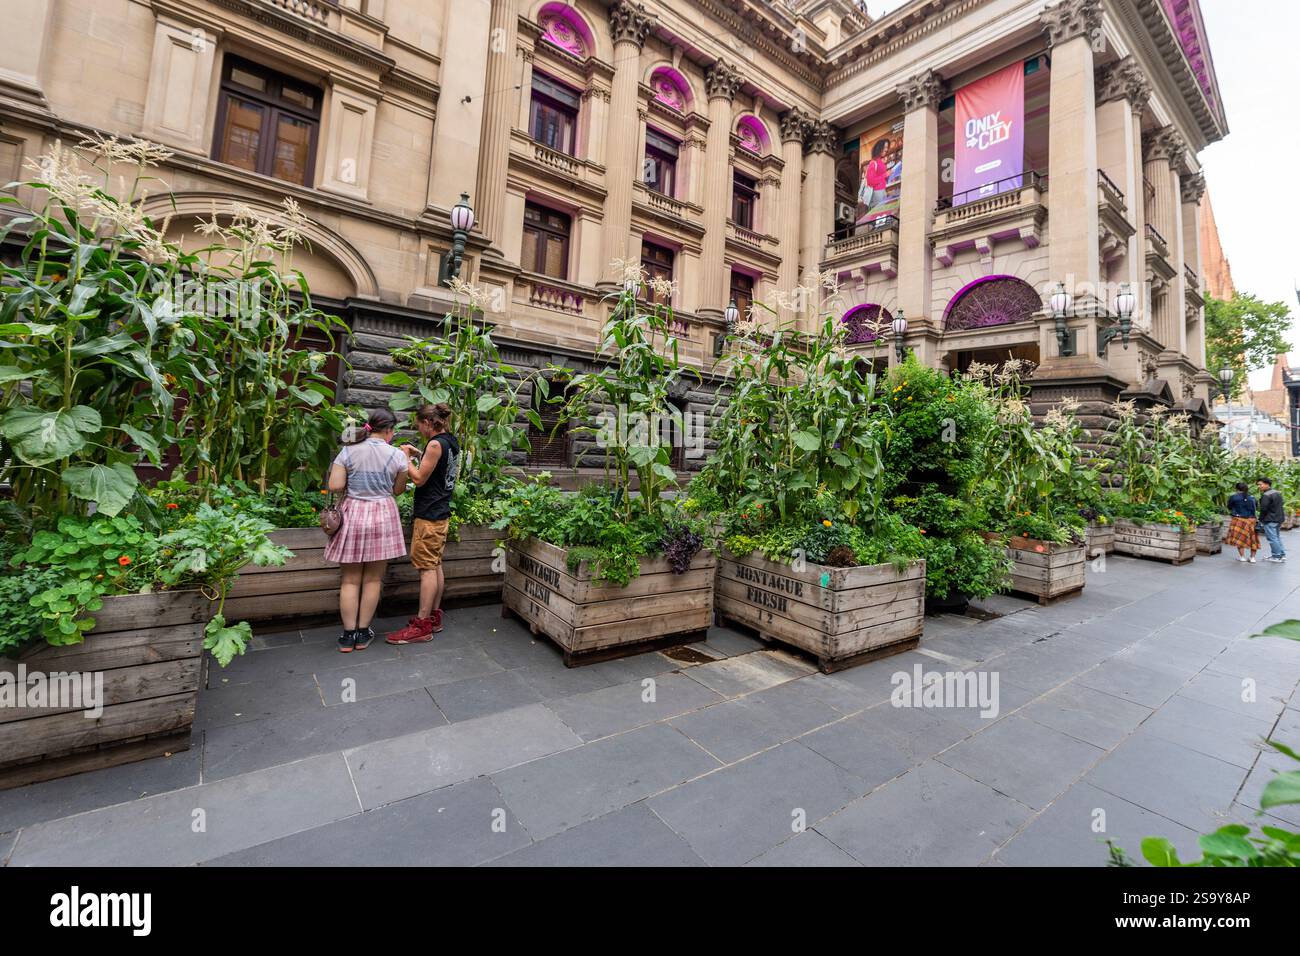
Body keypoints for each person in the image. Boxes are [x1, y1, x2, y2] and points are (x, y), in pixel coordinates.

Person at [325, 408, 409, 652]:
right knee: (373, 579)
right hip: (383, 514)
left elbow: (335, 485)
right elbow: (398, 490)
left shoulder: (348, 450)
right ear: (390, 431)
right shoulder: (397, 455)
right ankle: (363, 634)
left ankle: (347, 636)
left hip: (353, 514)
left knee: (350, 580)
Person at [385, 403, 460, 644]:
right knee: (435, 564)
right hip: (441, 512)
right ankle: (434, 618)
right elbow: (438, 464)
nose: (420, 431)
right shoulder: (450, 441)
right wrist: (419, 454)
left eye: (420, 426)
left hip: (429, 515)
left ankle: (421, 625)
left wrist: (406, 458)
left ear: (428, 423)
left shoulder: (435, 444)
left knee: (426, 569)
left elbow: (418, 479)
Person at [1224, 481, 1259, 563]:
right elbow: (1256, 507)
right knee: (1253, 539)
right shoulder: (1252, 497)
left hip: (1238, 520)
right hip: (1251, 520)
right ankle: (1252, 558)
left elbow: (1229, 506)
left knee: (1240, 539)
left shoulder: (1234, 497)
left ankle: (1242, 557)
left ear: (1237, 489)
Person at [1257, 477, 1287, 563]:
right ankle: (1281, 555)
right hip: (1279, 518)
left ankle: (1276, 556)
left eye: (1260, 484)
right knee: (1276, 537)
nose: (1259, 486)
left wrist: (1260, 520)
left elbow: (1264, 509)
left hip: (1270, 519)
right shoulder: (1277, 493)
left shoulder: (1266, 495)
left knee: (1272, 538)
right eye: (1258, 485)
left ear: (1267, 484)